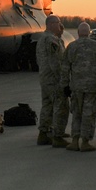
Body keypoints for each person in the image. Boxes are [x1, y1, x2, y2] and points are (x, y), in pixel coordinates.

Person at [60, 22, 96, 152]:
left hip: (76, 87)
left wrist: (65, 85)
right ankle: (85, 141)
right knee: (89, 113)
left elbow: (65, 68)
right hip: (93, 87)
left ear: (78, 33)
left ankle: (75, 141)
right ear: (89, 32)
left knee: (77, 113)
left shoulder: (71, 47)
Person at [36, 15, 70, 147]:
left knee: (48, 106)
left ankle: (43, 133)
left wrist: (60, 35)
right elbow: (55, 62)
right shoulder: (51, 40)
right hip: (54, 79)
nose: (61, 26)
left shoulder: (44, 39)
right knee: (61, 106)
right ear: (50, 24)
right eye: (58, 23)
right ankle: (58, 136)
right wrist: (63, 80)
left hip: (45, 79)